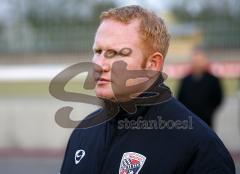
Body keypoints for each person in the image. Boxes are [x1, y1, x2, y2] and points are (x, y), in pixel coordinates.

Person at [59, 5, 235, 174]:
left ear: (152, 65)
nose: (99, 64)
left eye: (117, 53)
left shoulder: (200, 149)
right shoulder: (83, 132)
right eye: (98, 51)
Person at [177, 48, 223, 128]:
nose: (198, 63)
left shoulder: (213, 79)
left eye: (200, 60)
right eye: (196, 61)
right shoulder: (185, 80)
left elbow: (218, 97)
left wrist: (209, 111)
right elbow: (180, 97)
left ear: (205, 61)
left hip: (207, 120)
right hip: (189, 120)